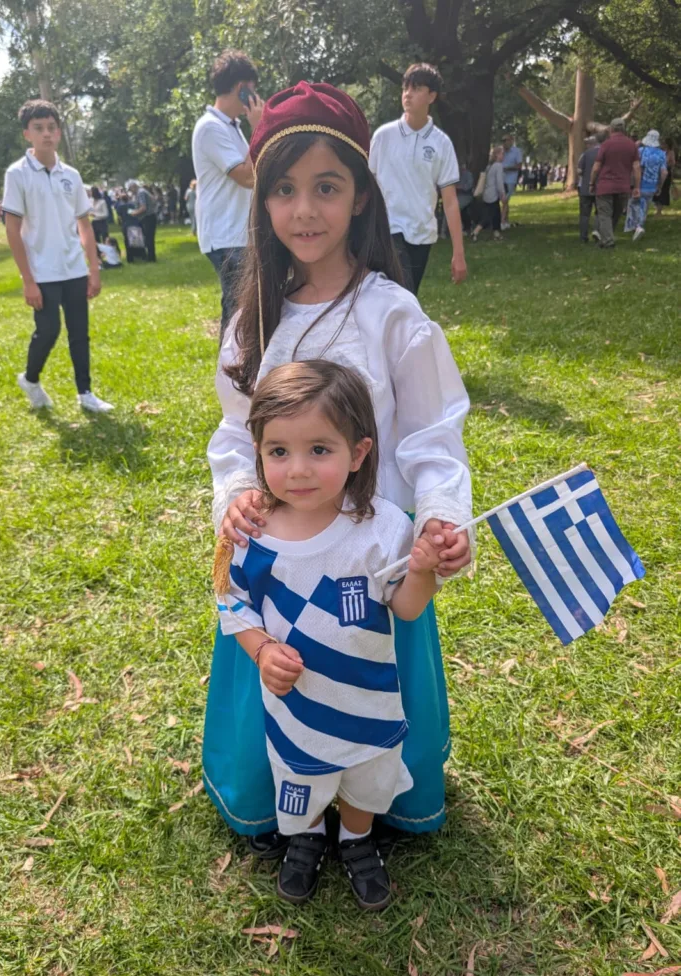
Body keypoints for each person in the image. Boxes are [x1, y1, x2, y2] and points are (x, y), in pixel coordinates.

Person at [204, 81, 473, 863]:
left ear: (360, 197)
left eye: (327, 187)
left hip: (369, 564)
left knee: (365, 682)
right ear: (263, 203)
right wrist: (235, 495)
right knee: (281, 668)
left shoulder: (393, 313)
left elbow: (431, 432)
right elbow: (231, 432)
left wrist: (438, 516)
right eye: (284, 189)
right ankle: (279, 803)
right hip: (281, 561)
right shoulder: (253, 319)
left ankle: (370, 805)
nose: (304, 210)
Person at [217, 360, 442, 909]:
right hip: (297, 714)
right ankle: (309, 837)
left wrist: (424, 568)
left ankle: (358, 839)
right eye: (279, 451)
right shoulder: (250, 534)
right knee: (304, 782)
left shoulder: (385, 527)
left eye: (320, 450)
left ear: (358, 453)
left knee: (366, 781)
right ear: (258, 452)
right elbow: (232, 604)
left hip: (370, 707)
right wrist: (263, 649)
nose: (298, 469)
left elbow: (408, 610)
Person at [3, 99, 113, 413]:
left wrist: (94, 269)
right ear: (27, 134)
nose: (46, 134)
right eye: (39, 129)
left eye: (51, 127)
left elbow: (84, 225)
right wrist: (28, 280)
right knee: (48, 330)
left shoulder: (72, 175)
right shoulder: (18, 175)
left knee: (80, 332)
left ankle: (86, 393)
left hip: (73, 268)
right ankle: (31, 378)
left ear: (59, 132)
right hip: (42, 271)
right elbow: (13, 230)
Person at [369, 62, 467, 295]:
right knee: (402, 297)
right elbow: (367, 187)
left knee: (407, 299)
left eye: (416, 88)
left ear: (432, 96)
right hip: (388, 230)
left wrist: (459, 254)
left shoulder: (441, 143)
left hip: (422, 234)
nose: (407, 94)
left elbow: (450, 201)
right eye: (405, 88)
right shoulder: (383, 137)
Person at [191, 50, 264, 339]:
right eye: (252, 90)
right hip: (225, 236)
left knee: (242, 308)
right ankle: (231, 375)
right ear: (241, 89)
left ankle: (238, 371)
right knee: (237, 311)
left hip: (236, 234)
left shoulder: (230, 127)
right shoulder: (210, 127)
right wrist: (259, 128)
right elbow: (247, 176)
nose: (255, 96)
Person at [590, 117, 640, 249]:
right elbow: (636, 167)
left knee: (604, 214)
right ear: (624, 129)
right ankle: (607, 237)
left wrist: (591, 183)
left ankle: (608, 241)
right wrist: (637, 187)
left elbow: (596, 167)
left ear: (611, 129)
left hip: (605, 186)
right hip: (623, 187)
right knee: (616, 213)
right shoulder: (631, 145)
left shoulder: (606, 144)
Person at [625, 129, 668, 241]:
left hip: (638, 183)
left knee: (634, 205)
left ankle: (637, 227)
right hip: (652, 185)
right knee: (644, 206)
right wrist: (660, 186)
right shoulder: (662, 154)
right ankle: (639, 226)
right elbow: (664, 172)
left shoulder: (640, 151)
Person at [471, 146, 505, 242]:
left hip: (487, 194)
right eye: (502, 154)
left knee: (495, 214)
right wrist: (502, 193)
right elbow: (499, 182)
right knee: (489, 215)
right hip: (493, 195)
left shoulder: (489, 166)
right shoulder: (498, 166)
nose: (503, 156)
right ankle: (476, 231)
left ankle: (496, 233)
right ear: (497, 155)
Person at [577, 135, 600, 243]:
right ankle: (597, 231)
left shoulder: (585, 154)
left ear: (591, 144)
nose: (586, 145)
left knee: (585, 214)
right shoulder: (603, 153)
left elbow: (579, 171)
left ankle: (583, 236)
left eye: (587, 143)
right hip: (600, 188)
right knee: (599, 212)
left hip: (586, 188)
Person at [130, 182, 157, 262]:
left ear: (133, 187)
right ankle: (149, 256)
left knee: (148, 238)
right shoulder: (143, 191)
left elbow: (143, 207)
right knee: (148, 238)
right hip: (148, 217)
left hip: (147, 217)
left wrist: (134, 213)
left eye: (130, 189)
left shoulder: (141, 193)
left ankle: (151, 258)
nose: (130, 191)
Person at [500, 132, 523, 228]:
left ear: (511, 141)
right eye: (503, 140)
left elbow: (519, 165)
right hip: (501, 179)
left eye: (506, 140)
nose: (504, 142)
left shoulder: (517, 151)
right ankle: (506, 221)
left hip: (510, 179)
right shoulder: (501, 151)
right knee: (504, 201)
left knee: (505, 200)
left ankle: (502, 221)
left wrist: (507, 168)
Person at [653, 138, 675, 214]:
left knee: (664, 191)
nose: (662, 145)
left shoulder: (670, 152)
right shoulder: (658, 152)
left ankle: (659, 210)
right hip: (657, 172)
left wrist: (666, 165)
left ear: (668, 145)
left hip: (666, 173)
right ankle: (656, 206)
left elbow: (672, 164)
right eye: (662, 143)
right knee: (656, 190)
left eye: (664, 143)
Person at [455, 162, 474, 233]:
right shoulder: (457, 175)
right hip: (458, 196)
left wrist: (460, 187)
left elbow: (469, 186)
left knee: (458, 208)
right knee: (463, 212)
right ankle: (465, 227)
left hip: (466, 195)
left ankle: (465, 227)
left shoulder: (468, 174)